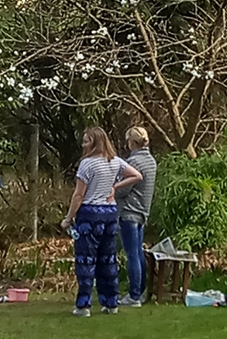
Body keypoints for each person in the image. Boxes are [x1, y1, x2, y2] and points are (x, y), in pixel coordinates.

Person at [61, 127, 143, 317]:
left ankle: (84, 306)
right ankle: (111, 302)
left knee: (86, 261)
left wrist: (68, 218)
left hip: (90, 214)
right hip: (109, 213)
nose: (83, 144)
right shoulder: (115, 161)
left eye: (87, 141)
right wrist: (115, 186)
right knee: (108, 259)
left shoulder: (87, 164)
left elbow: (79, 195)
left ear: (95, 142)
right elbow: (137, 176)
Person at [116, 126, 157, 307]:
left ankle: (133, 296)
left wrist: (113, 188)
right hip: (142, 211)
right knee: (138, 253)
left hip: (129, 211)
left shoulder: (133, 162)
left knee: (132, 254)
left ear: (132, 142)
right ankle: (140, 291)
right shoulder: (151, 161)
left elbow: (124, 189)